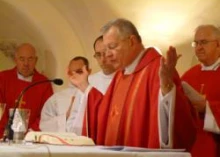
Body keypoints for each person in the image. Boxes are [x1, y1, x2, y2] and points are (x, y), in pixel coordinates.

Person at [72, 18, 197, 150]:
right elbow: (104, 111)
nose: (107, 55)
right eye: (105, 49)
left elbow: (181, 124)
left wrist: (167, 89)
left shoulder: (158, 68)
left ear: (131, 41)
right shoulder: (121, 74)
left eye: (112, 47)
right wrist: (85, 87)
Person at [181, 25, 220, 157]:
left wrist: (207, 108)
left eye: (203, 42)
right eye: (196, 43)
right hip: (190, 147)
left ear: (218, 44)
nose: (198, 47)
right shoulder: (188, 75)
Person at [0, 43, 53, 137]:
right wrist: (6, 132)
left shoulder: (44, 83)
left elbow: (47, 113)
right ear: (15, 60)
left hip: (32, 137)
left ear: (36, 60)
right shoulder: (3, 78)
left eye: (30, 59)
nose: (26, 63)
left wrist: (30, 132)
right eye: (22, 59)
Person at [40, 56, 92, 135]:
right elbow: (44, 125)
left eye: (79, 72)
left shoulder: (94, 94)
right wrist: (65, 117)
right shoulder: (56, 98)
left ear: (89, 71)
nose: (74, 76)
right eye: (71, 72)